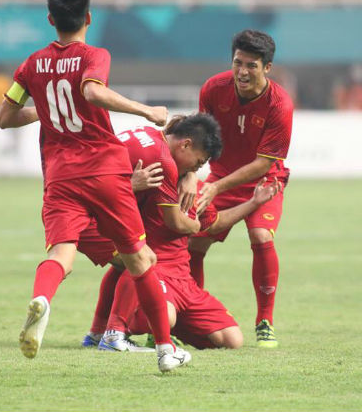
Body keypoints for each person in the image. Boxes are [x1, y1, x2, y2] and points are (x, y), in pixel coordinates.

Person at [0, 0, 189, 373]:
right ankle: (166, 351)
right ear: (88, 17)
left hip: (60, 175)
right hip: (104, 169)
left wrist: (46, 108)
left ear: (50, 19)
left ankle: (43, 300)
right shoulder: (94, 55)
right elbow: (92, 92)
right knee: (141, 259)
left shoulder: (31, 64)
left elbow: (5, 118)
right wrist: (146, 111)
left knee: (60, 256)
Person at [78, 114, 280, 350]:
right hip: (155, 271)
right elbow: (175, 222)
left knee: (232, 340)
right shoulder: (156, 171)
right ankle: (111, 331)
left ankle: (107, 331)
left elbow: (214, 223)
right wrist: (194, 225)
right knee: (136, 260)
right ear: (185, 145)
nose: (197, 168)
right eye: (198, 163)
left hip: (184, 280)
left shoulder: (190, 184)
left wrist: (253, 203)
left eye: (200, 166)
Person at [190, 29, 293, 348]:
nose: (243, 72)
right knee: (194, 242)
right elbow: (202, 139)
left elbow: (264, 164)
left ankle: (265, 321)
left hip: (264, 181)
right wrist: (190, 176)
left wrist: (215, 187)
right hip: (221, 176)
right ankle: (185, 315)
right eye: (238, 63)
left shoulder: (280, 105)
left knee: (261, 236)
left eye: (251, 65)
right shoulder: (213, 89)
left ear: (267, 68)